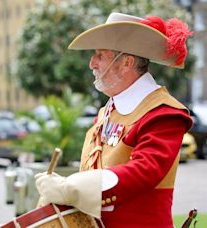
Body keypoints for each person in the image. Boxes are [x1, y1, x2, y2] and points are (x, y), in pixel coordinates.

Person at [35, 12, 193, 227]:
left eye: (100, 55)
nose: (92, 63)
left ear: (126, 62)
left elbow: (144, 171)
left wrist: (70, 188)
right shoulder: (107, 111)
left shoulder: (164, 113)